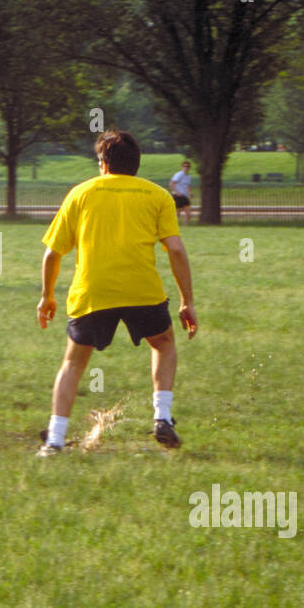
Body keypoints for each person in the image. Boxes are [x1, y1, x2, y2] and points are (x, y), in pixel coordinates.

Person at [37, 130, 198, 456]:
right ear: (136, 165)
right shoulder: (157, 196)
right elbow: (177, 250)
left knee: (74, 362)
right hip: (142, 290)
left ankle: (54, 441)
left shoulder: (80, 194)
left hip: (93, 292)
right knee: (164, 343)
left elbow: (53, 254)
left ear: (103, 164)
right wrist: (187, 302)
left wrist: (47, 296)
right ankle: (162, 417)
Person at [169, 160, 194, 226]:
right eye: (185, 166)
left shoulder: (188, 177)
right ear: (182, 167)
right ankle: (172, 226)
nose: (186, 168)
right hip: (178, 196)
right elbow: (171, 183)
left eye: (187, 166)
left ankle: (186, 227)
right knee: (178, 212)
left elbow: (188, 186)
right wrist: (177, 192)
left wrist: (190, 193)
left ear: (189, 168)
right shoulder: (179, 174)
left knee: (188, 213)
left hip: (184, 196)